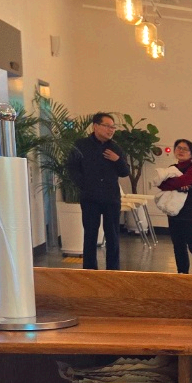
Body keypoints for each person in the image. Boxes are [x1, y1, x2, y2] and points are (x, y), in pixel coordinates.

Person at [66, 112, 130, 270]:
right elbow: (72, 168)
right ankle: (89, 269)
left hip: (111, 198)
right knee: (90, 234)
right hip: (90, 198)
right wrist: (84, 185)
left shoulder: (115, 148)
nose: (111, 130)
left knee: (113, 235)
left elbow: (125, 172)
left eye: (113, 127)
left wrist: (117, 160)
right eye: (107, 126)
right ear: (95, 126)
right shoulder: (81, 145)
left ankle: (113, 270)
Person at [157, 138, 192, 274]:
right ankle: (182, 275)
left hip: (191, 214)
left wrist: (175, 184)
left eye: (185, 149)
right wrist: (178, 186)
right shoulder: (172, 168)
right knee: (178, 246)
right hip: (174, 212)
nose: (181, 151)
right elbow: (161, 184)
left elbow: (181, 181)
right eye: (179, 148)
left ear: (191, 153)